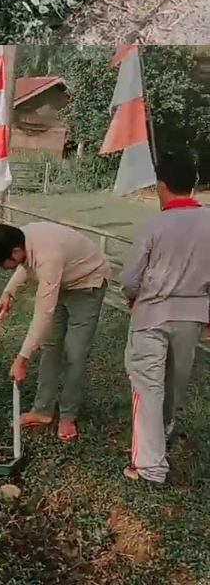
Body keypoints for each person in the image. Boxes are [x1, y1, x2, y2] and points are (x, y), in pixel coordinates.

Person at [120, 150, 210, 484]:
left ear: (161, 185)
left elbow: (130, 278)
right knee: (175, 382)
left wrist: (134, 296)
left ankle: (150, 466)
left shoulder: (153, 224)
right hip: (191, 316)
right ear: (194, 184)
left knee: (147, 386)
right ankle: (164, 433)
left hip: (151, 315)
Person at [0, 219, 110, 443]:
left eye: (4, 264)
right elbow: (26, 266)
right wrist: (9, 292)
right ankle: (42, 410)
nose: (6, 268)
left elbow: (43, 313)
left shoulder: (49, 257)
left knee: (74, 352)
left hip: (88, 282)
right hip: (63, 279)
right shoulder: (22, 237)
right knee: (51, 345)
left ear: (15, 251)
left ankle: (68, 415)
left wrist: (22, 358)